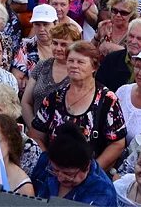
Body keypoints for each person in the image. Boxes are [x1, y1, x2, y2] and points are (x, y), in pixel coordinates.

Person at [31, 41, 128, 170]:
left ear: (94, 67)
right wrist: (50, 164)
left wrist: (92, 171)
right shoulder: (54, 97)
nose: (74, 66)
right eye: (70, 61)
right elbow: (36, 135)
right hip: (54, 172)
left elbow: (118, 144)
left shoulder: (107, 100)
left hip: (90, 175)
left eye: (80, 62)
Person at [31, 122, 118, 204]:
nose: (60, 178)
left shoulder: (103, 193)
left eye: (68, 174)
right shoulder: (45, 162)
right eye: (55, 170)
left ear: (86, 166)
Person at [21, 21, 80, 125]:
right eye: (55, 43)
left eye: (63, 44)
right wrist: (33, 128)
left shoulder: (80, 71)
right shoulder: (41, 65)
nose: (58, 48)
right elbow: (26, 102)